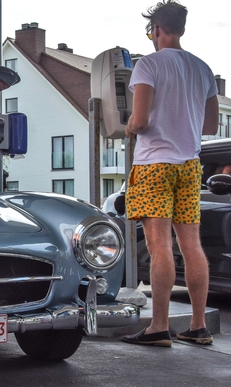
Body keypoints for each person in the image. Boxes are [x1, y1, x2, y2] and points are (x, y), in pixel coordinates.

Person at [121, 0, 219, 347]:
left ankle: (158, 327)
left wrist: (129, 126)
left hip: (153, 166)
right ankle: (197, 325)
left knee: (159, 244)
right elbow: (211, 124)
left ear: (156, 30)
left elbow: (141, 119)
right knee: (191, 245)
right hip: (189, 165)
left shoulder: (147, 65)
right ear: (182, 29)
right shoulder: (203, 69)